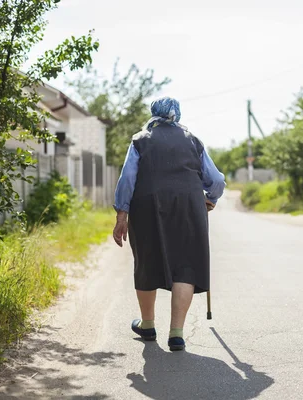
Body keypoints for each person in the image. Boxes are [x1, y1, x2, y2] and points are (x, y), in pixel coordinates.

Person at [112, 97, 225, 351]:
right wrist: (211, 199)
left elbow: (127, 179)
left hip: (147, 205)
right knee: (185, 265)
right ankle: (176, 333)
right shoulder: (193, 140)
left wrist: (122, 215)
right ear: (178, 115)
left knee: (146, 262)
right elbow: (216, 180)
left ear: (154, 113)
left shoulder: (141, 139)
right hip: (189, 206)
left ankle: (148, 325)